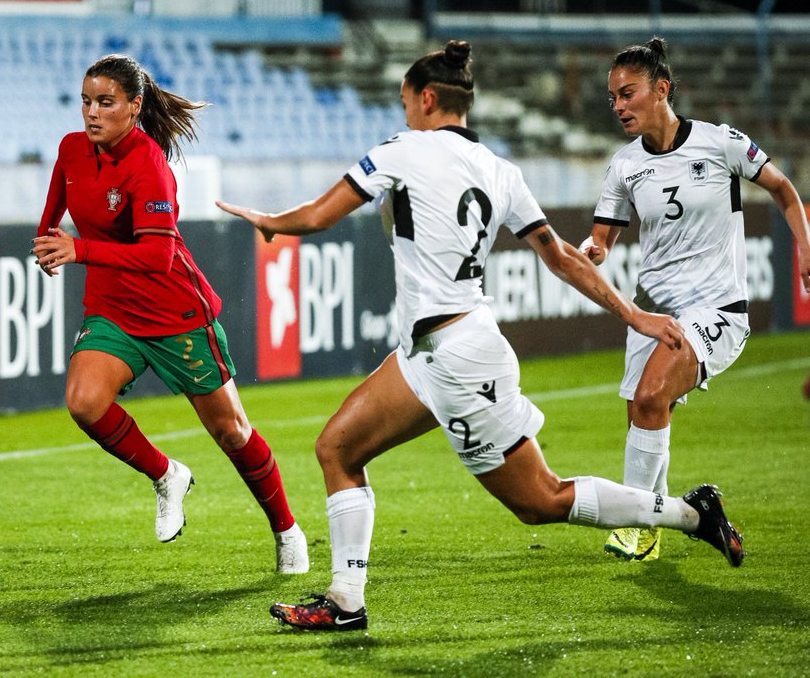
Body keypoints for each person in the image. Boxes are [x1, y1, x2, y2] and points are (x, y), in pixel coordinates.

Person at [217, 40, 745, 632]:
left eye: (404, 103)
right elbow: (563, 257)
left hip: (461, 357)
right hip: (428, 353)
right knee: (337, 449)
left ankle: (691, 515)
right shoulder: (501, 169)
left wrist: (270, 221)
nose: (403, 115)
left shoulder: (403, 149)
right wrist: (633, 314)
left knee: (541, 500)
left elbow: (317, 216)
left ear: (425, 99)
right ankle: (346, 601)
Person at [30, 53, 309, 574]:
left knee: (232, 433)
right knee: (85, 402)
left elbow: (156, 257)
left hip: (174, 311)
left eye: (105, 102)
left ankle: (286, 529)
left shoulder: (149, 164)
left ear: (134, 107)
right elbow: (56, 208)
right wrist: (48, 242)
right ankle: (166, 475)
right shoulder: (72, 149)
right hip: (113, 310)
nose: (92, 113)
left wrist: (80, 251)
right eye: (86, 101)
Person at [581, 38, 810, 563]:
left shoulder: (720, 142)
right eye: (612, 97)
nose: (618, 105)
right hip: (653, 313)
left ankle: (640, 528)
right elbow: (603, 238)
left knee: (648, 398)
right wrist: (589, 251)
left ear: (661, 90)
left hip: (716, 311)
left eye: (628, 93)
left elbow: (782, 188)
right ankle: (673, 519)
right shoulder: (623, 166)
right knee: (646, 411)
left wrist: (805, 247)